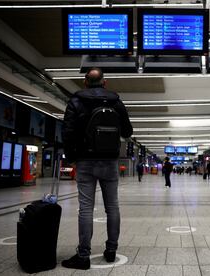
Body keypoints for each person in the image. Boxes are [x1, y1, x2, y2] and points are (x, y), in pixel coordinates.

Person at [62, 67, 133, 270]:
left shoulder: (76, 101)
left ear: (85, 82)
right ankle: (111, 251)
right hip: (110, 161)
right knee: (112, 206)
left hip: (85, 161)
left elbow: (67, 132)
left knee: (85, 208)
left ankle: (83, 255)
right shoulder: (116, 101)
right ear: (105, 82)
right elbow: (128, 131)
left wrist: (71, 158)